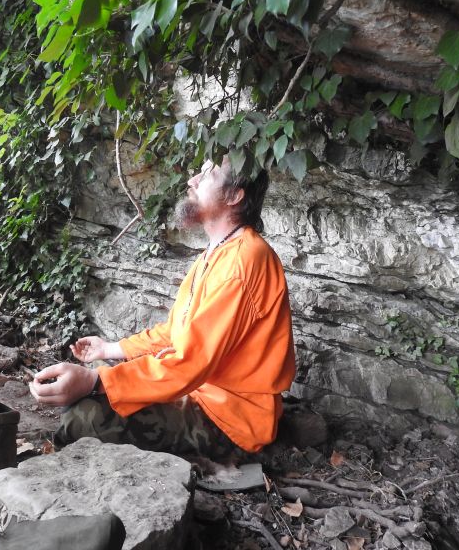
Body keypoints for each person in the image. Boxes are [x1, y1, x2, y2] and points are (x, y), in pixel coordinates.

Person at [29, 156, 295, 459]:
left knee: (83, 417)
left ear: (235, 196)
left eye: (208, 175)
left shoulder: (243, 261)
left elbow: (191, 362)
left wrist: (95, 380)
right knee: (88, 397)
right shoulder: (216, 254)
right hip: (198, 392)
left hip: (230, 419)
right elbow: (175, 332)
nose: (192, 181)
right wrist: (108, 350)